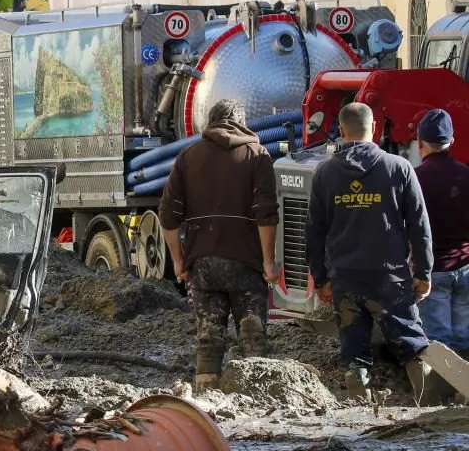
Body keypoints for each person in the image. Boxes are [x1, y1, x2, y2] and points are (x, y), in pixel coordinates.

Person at [307, 102, 434, 398]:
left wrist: (321, 278)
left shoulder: (324, 174)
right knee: (413, 345)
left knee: (354, 350)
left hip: (346, 277)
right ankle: (431, 410)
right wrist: (423, 271)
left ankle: (357, 411)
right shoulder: (398, 168)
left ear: (341, 130)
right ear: (374, 128)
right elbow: (419, 225)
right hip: (389, 277)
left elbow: (313, 231)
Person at [158, 99, 279, 391]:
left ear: (210, 122)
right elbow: (266, 214)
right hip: (246, 265)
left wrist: (178, 259)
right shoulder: (257, 155)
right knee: (253, 335)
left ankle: (207, 397)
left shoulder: (189, 157)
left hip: (203, 265)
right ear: (242, 121)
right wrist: (267, 262)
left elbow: (168, 215)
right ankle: (256, 397)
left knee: (208, 337)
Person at [414, 109, 469, 351]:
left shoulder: (415, 179)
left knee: (439, 344)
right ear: (452, 141)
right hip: (465, 267)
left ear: (419, 142)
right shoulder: (465, 176)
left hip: (432, 272)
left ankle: (442, 387)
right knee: (465, 339)